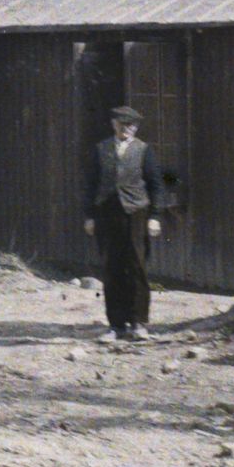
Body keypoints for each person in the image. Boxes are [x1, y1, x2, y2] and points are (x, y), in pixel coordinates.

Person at [82, 105, 167, 343]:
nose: (126, 129)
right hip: (107, 214)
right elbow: (90, 185)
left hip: (136, 213)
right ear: (114, 125)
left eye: (131, 125)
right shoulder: (101, 149)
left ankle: (138, 323)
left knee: (137, 267)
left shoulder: (144, 150)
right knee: (111, 267)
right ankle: (116, 325)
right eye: (122, 124)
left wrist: (155, 216)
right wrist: (89, 216)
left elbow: (156, 185)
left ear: (136, 127)